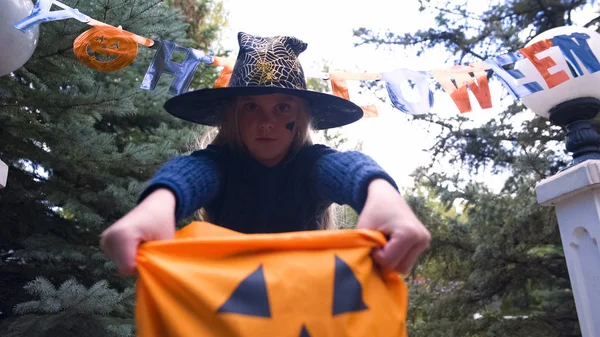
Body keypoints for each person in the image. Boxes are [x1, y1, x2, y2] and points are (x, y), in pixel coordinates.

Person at [100, 32, 431, 278]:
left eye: (282, 107)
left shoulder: (310, 163)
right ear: (233, 116)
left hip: (307, 302)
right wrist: (157, 206)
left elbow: (347, 167)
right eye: (251, 107)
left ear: (299, 117)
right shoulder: (221, 163)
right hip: (225, 305)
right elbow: (188, 174)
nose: (266, 123)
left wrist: (384, 197)